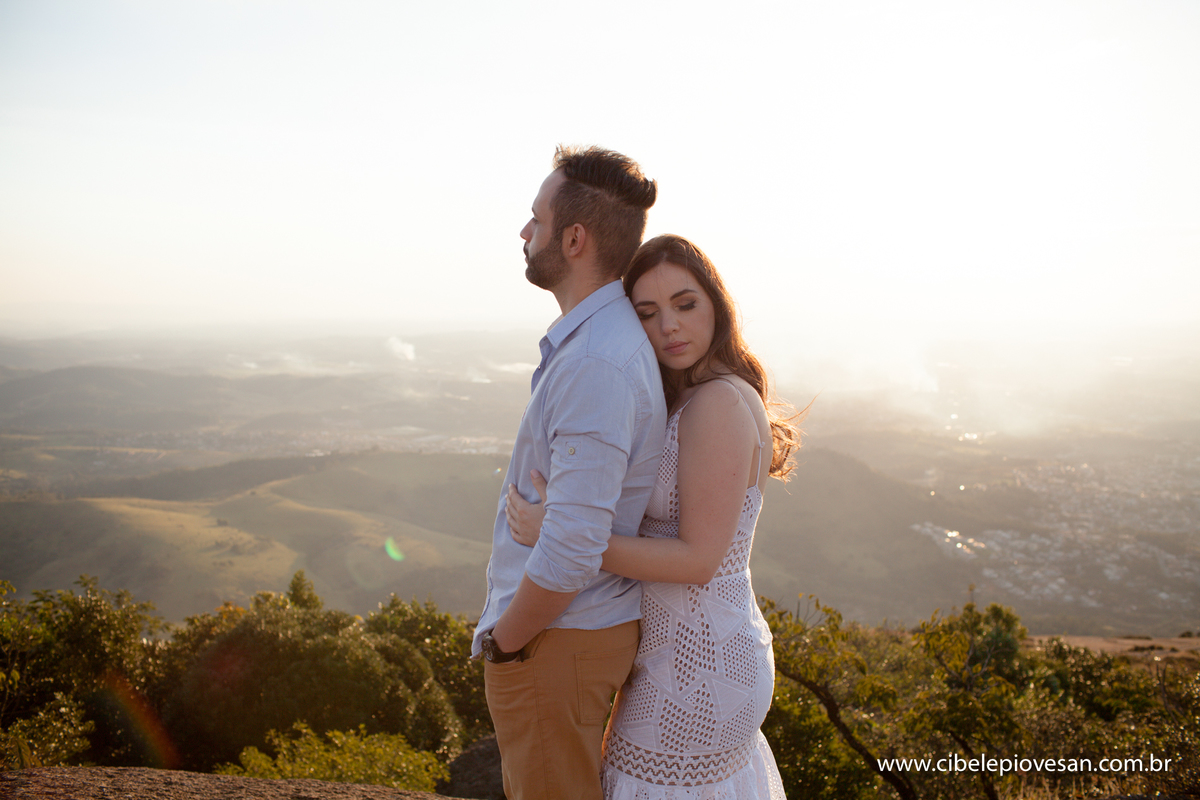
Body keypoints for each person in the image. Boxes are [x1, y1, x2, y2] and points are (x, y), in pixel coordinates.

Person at [508, 234, 801, 799]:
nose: (669, 325)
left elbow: (698, 560)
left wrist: (567, 533)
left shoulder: (715, 404)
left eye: (685, 304)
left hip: (696, 666)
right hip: (698, 653)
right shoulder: (706, 395)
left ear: (716, 304)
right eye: (648, 313)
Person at [471, 146, 667, 800]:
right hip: (569, 639)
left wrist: (507, 644)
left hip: (555, 642)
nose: (525, 233)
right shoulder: (598, 346)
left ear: (575, 238)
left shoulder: (596, 364)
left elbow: (575, 545)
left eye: (536, 220)